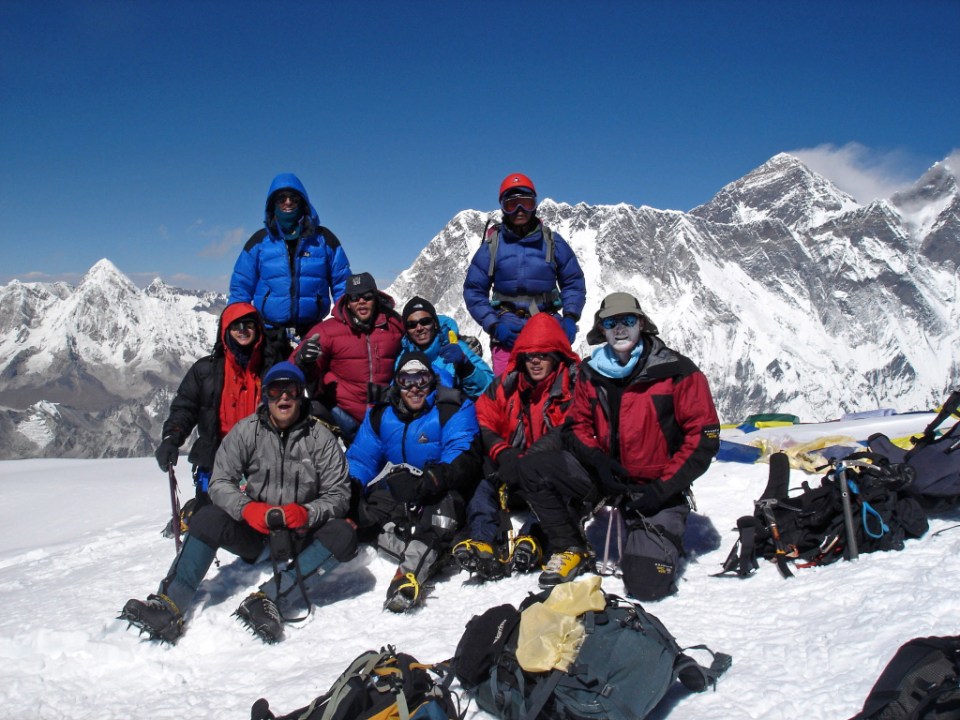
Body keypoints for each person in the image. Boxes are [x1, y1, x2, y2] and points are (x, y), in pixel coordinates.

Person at [120, 362, 356, 644]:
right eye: (275, 390)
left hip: (299, 533)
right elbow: (220, 482)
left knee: (343, 535)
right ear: (266, 395)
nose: (283, 397)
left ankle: (269, 601)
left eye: (290, 390)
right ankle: (170, 605)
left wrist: (307, 513)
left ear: (300, 394)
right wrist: (247, 509)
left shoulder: (321, 438)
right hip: (255, 532)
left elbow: (339, 494)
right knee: (206, 517)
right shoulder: (247, 431)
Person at [521, 292, 721, 594]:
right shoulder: (591, 372)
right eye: (611, 322)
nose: (620, 329)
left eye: (628, 320)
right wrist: (597, 461)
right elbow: (577, 426)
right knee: (534, 468)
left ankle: (649, 527)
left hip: (656, 488)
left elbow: (703, 438)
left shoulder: (677, 372)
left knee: (645, 583)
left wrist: (662, 488)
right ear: (602, 330)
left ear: (641, 324)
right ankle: (569, 547)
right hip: (605, 477)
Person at [347, 353, 482, 613]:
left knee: (436, 520)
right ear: (397, 383)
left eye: (421, 379)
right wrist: (351, 486)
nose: (414, 388)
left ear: (431, 381)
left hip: (441, 489)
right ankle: (428, 551)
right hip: (400, 487)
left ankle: (406, 578)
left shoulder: (451, 408)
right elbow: (362, 458)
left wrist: (430, 480)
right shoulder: (382, 415)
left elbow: (462, 452)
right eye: (406, 380)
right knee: (361, 516)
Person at [452, 313, 582, 581]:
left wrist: (526, 462)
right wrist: (503, 453)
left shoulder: (576, 386)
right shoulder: (506, 386)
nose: (535, 360)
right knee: (483, 481)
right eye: (529, 354)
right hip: (512, 471)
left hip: (550, 476)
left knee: (564, 489)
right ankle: (482, 541)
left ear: (557, 355)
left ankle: (534, 538)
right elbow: (484, 418)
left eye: (543, 354)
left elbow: (571, 429)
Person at [462, 173, 586, 375]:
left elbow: (573, 282)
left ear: (535, 205)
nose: (520, 210)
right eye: (512, 204)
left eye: (526, 202)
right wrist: (494, 325)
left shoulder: (553, 242)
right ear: (503, 208)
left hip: (547, 326)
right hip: (507, 330)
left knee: (556, 389)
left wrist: (571, 317)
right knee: (507, 391)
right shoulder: (492, 247)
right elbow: (474, 291)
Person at [154, 302, 270, 516]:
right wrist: (172, 438)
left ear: (258, 329)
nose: (243, 330)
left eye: (248, 324)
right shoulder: (205, 370)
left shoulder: (270, 368)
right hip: (216, 457)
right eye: (236, 326)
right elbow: (185, 408)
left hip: (262, 459)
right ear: (226, 330)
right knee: (210, 520)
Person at [229, 172, 352, 357]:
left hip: (313, 332)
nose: (287, 202)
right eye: (281, 198)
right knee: (273, 385)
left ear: (302, 202)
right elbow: (241, 288)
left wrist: (345, 324)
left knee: (314, 383)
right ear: (273, 204)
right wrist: (235, 322)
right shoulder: (259, 242)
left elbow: (342, 284)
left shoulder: (324, 239)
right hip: (269, 335)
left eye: (293, 198)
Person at [291, 272, 404, 444]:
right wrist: (303, 360)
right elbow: (290, 370)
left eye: (367, 296)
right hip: (341, 418)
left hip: (384, 417)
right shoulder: (327, 331)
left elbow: (421, 334)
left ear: (376, 298)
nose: (361, 301)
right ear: (347, 302)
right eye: (355, 297)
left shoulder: (394, 325)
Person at [398, 296, 493, 399]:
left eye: (425, 321)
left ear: (435, 323)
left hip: (455, 412)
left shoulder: (457, 348)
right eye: (412, 324)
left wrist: (465, 367)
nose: (419, 328)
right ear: (407, 330)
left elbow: (489, 387)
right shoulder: (403, 357)